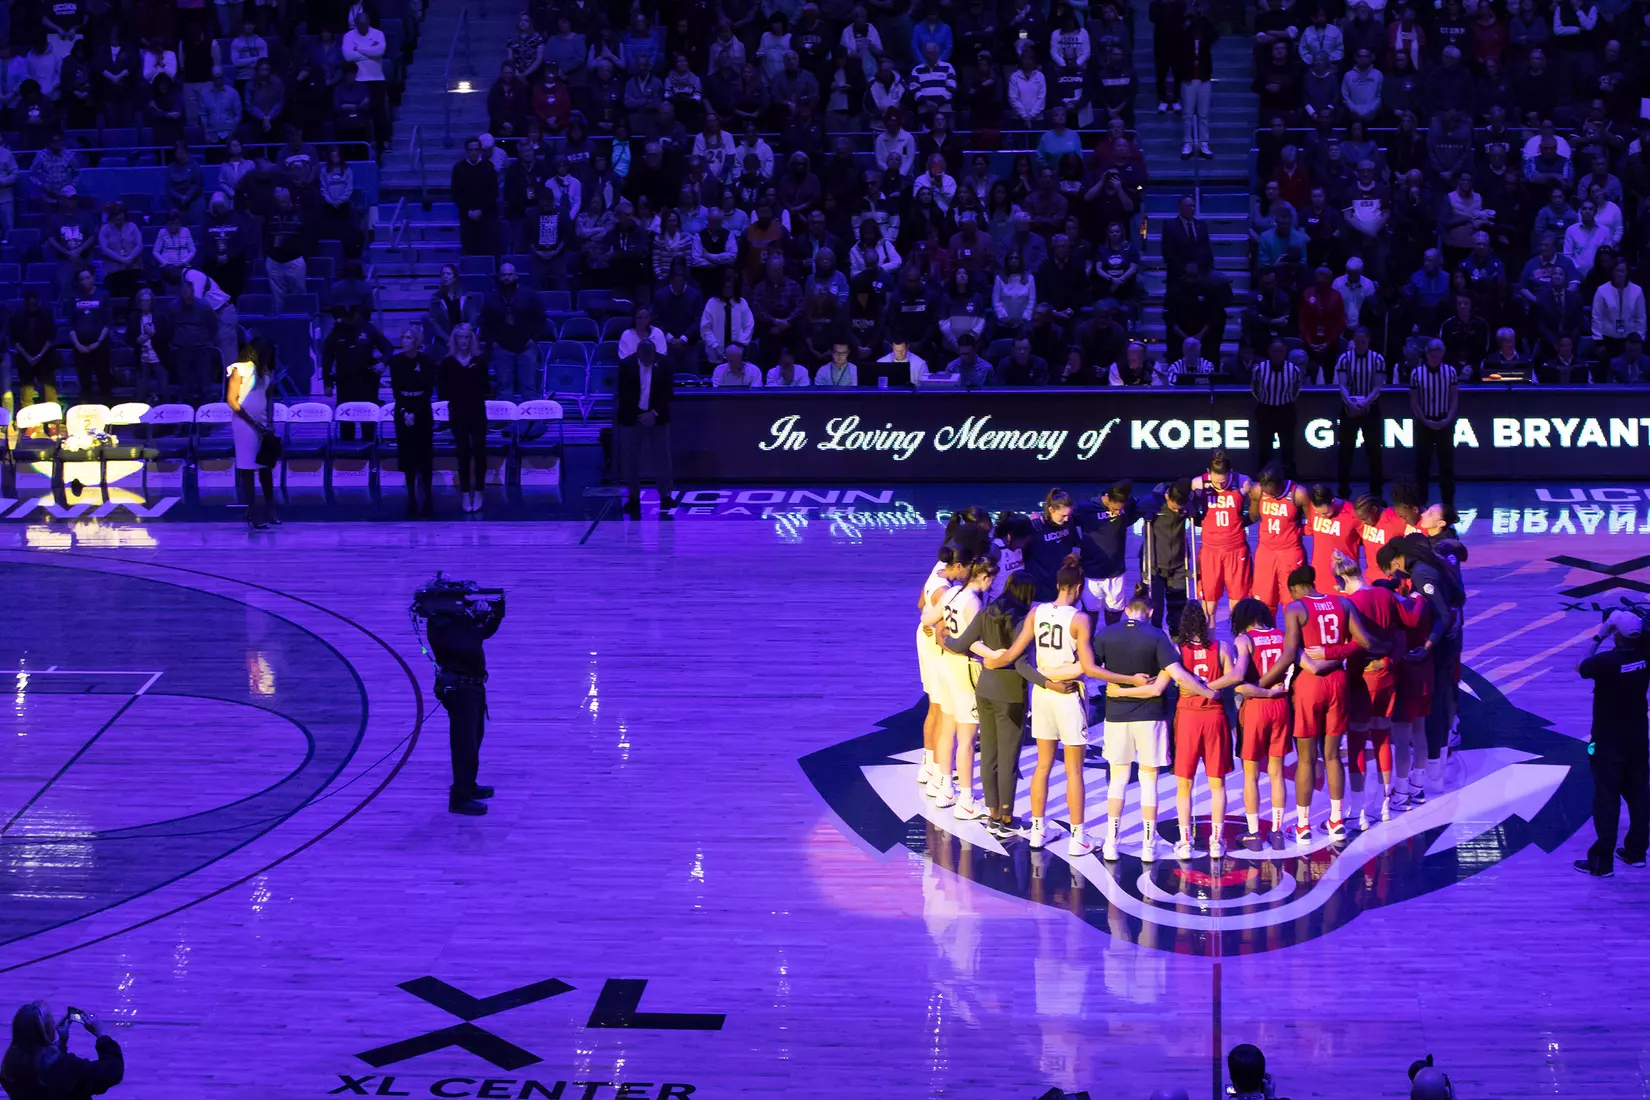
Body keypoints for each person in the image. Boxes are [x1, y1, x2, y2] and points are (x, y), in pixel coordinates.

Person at [984, 554, 1163, 855]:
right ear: (1079, 588)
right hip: (1068, 696)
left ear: (1057, 585)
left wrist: (989, 659)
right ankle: (1078, 837)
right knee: (1074, 771)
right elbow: (1089, 669)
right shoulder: (1079, 619)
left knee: (1042, 766)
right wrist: (1130, 680)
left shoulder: (1035, 612)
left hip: (1041, 695)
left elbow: (1013, 654)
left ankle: (1038, 831)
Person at [1260, 565, 1386, 841]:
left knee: (1306, 758)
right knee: (1332, 755)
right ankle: (1337, 821)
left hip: (1309, 685)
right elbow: (1364, 641)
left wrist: (1262, 682)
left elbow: (1290, 653)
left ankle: (1303, 827)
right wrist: (1334, 651)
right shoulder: (1342, 602)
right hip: (1338, 683)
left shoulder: (1295, 608)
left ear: (1294, 589)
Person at [942, 567, 1067, 836]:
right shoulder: (1022, 620)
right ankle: (1006, 819)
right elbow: (1021, 665)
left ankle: (993, 814)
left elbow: (960, 643)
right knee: (1008, 759)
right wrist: (1050, 684)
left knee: (988, 755)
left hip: (984, 689)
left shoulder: (986, 610)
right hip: (1010, 695)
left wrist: (943, 637)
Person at [1573, 609, 1649, 877]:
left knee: (1607, 801)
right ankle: (1636, 853)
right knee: (1640, 795)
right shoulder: (1646, 654)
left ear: (1614, 634)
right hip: (1639, 737)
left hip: (1608, 742)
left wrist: (1598, 635)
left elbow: (1580, 666)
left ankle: (1602, 864)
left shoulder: (1605, 662)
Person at [1332, 549, 1402, 828]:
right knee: (1383, 736)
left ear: (1341, 580)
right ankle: (1386, 804)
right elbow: (1399, 633)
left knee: (1358, 742)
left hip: (1361, 679)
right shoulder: (1386, 595)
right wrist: (1388, 660)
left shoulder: (1349, 603)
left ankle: (1359, 810)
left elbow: (1354, 644)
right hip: (1387, 677)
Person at [424, 582, 506, 816]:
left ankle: (468, 786)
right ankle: (459, 799)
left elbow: (482, 635)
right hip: (460, 689)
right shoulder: (442, 623)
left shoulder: (454, 620)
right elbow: (468, 647)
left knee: (474, 738)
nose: (466, 602)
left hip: (472, 687)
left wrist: (496, 616)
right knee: (463, 744)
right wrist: (475, 619)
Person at [1171, 603, 1237, 858]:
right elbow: (1233, 677)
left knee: (1184, 785)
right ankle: (1216, 842)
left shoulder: (1177, 650)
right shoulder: (1221, 647)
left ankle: (1186, 842)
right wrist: (1211, 686)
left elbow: (1172, 680)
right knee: (1217, 784)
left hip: (1188, 718)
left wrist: (1195, 686)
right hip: (1214, 718)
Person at [1230, 598, 1291, 849]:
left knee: (1251, 775)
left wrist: (1262, 692)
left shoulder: (1244, 640)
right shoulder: (1282, 635)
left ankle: (1254, 834)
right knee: (1277, 773)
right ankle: (1277, 833)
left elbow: (1241, 684)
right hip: (1282, 706)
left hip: (1256, 707)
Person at [0, 1002, 123, 1100]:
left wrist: (62, 1042)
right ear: (47, 1032)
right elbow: (112, 1071)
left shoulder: (9, 1065)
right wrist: (101, 1036)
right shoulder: (67, 1068)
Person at [616, 341, 676, 518]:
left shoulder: (664, 364)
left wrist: (654, 413)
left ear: (655, 354)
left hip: (658, 417)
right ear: (638, 354)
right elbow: (623, 395)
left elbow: (667, 393)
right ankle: (633, 498)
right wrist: (640, 415)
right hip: (631, 417)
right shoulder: (626, 366)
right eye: (645, 357)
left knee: (662, 458)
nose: (649, 360)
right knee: (631, 459)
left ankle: (665, 496)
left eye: (652, 357)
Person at [1192, 450, 1253, 621]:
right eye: (1216, 481)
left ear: (1230, 474)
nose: (1219, 485)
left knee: (1238, 603)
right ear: (1209, 472)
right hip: (1210, 550)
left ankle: (1239, 645)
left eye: (1223, 481)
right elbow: (1192, 511)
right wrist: (1201, 522)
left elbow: (1255, 508)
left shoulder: (1243, 482)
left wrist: (1243, 522)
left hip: (1236, 549)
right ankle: (1209, 643)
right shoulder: (1199, 484)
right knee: (1209, 605)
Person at [439, 323, 491, 514]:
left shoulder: (480, 360)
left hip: (477, 410)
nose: (463, 341)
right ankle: (465, 493)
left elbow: (486, 387)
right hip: (457, 411)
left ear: (471, 339)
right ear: (455, 339)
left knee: (479, 450)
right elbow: (443, 390)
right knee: (463, 452)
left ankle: (479, 491)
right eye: (460, 337)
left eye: (467, 337)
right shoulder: (447, 363)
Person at [226, 340, 277, 530]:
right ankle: (252, 511)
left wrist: (270, 421)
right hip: (244, 425)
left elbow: (269, 397)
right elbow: (232, 401)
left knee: (265, 467)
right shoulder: (239, 369)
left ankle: (270, 509)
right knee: (247, 468)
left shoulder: (267, 372)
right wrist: (252, 422)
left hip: (263, 424)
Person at [390, 326, 438, 518]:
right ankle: (411, 498)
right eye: (403, 337)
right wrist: (405, 412)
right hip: (403, 410)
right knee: (408, 456)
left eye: (409, 337)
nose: (405, 340)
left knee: (424, 456)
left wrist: (415, 413)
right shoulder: (395, 362)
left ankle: (427, 498)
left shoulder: (427, 362)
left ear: (417, 341)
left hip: (423, 411)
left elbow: (427, 392)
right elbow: (396, 391)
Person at [1333, 326, 1386, 499]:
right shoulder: (1344, 359)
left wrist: (1365, 402)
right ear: (1353, 340)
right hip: (1349, 408)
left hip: (1370, 408)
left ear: (1368, 340)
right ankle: (1343, 492)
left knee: (1374, 451)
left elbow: (1378, 386)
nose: (1360, 343)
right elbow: (1342, 385)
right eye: (1357, 340)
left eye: (1363, 340)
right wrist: (1350, 403)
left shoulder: (1377, 359)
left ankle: (1376, 492)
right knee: (1345, 450)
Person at [1075, 481, 1137, 626]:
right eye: (1114, 509)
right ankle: (1088, 644)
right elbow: (1064, 522)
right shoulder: (1085, 509)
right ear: (1107, 498)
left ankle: (1111, 643)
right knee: (1090, 614)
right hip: (1091, 573)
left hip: (1116, 572)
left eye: (1119, 510)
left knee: (1115, 614)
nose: (1117, 513)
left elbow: (1145, 504)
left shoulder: (1128, 505)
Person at [1409, 339, 1461, 511]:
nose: (1435, 354)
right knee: (1422, 466)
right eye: (1432, 351)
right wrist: (1425, 420)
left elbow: (1454, 399)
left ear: (1443, 353)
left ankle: (1448, 505)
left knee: (1447, 466)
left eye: (1438, 351)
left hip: (1444, 422)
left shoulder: (1450, 372)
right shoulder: (1417, 373)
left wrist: (1447, 419)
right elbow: (1414, 402)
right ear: (1427, 353)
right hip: (1424, 423)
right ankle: (1420, 505)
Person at [1249, 466, 1308, 613]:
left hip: (1290, 552)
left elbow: (1311, 521)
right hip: (1266, 552)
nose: (1270, 495)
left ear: (1280, 484)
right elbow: (1253, 516)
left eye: (1273, 492)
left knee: (1292, 602)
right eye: (1266, 491)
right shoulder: (1258, 491)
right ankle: (1269, 635)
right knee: (1264, 602)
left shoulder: (1299, 493)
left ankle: (1293, 635)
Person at [1250, 339, 1302, 476]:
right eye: (1274, 351)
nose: (1277, 354)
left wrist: (1283, 400)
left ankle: (1291, 482)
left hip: (1286, 411)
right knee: (1264, 449)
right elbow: (1254, 390)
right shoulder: (1259, 369)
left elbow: (1296, 391)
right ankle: (1263, 481)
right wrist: (1266, 400)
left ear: (1285, 352)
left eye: (1280, 351)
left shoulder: (1294, 370)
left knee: (1288, 450)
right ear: (1269, 352)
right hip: (1265, 411)